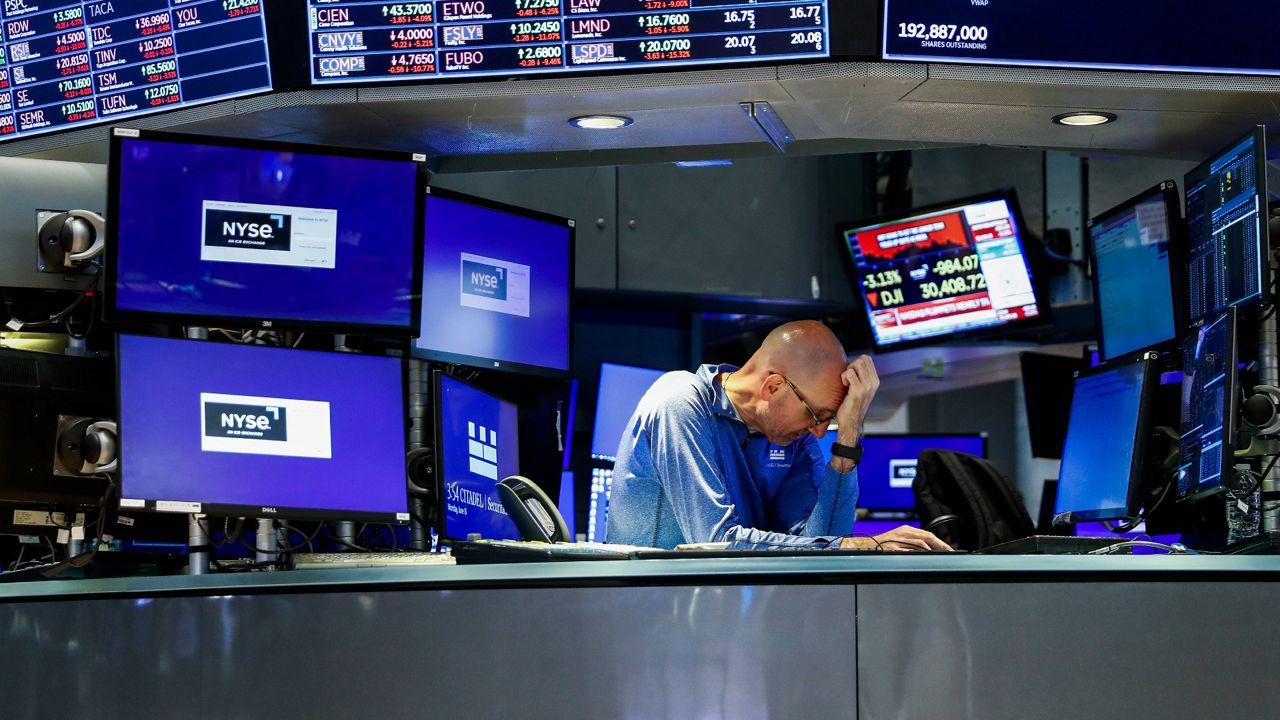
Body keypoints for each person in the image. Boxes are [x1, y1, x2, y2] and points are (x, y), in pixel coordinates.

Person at [606, 320, 951, 551]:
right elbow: (714, 544)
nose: (818, 432)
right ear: (773, 386)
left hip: (729, 622)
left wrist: (849, 436)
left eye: (827, 421)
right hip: (651, 621)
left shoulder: (795, 439)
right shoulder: (679, 400)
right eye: (817, 415)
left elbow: (824, 542)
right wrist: (863, 544)